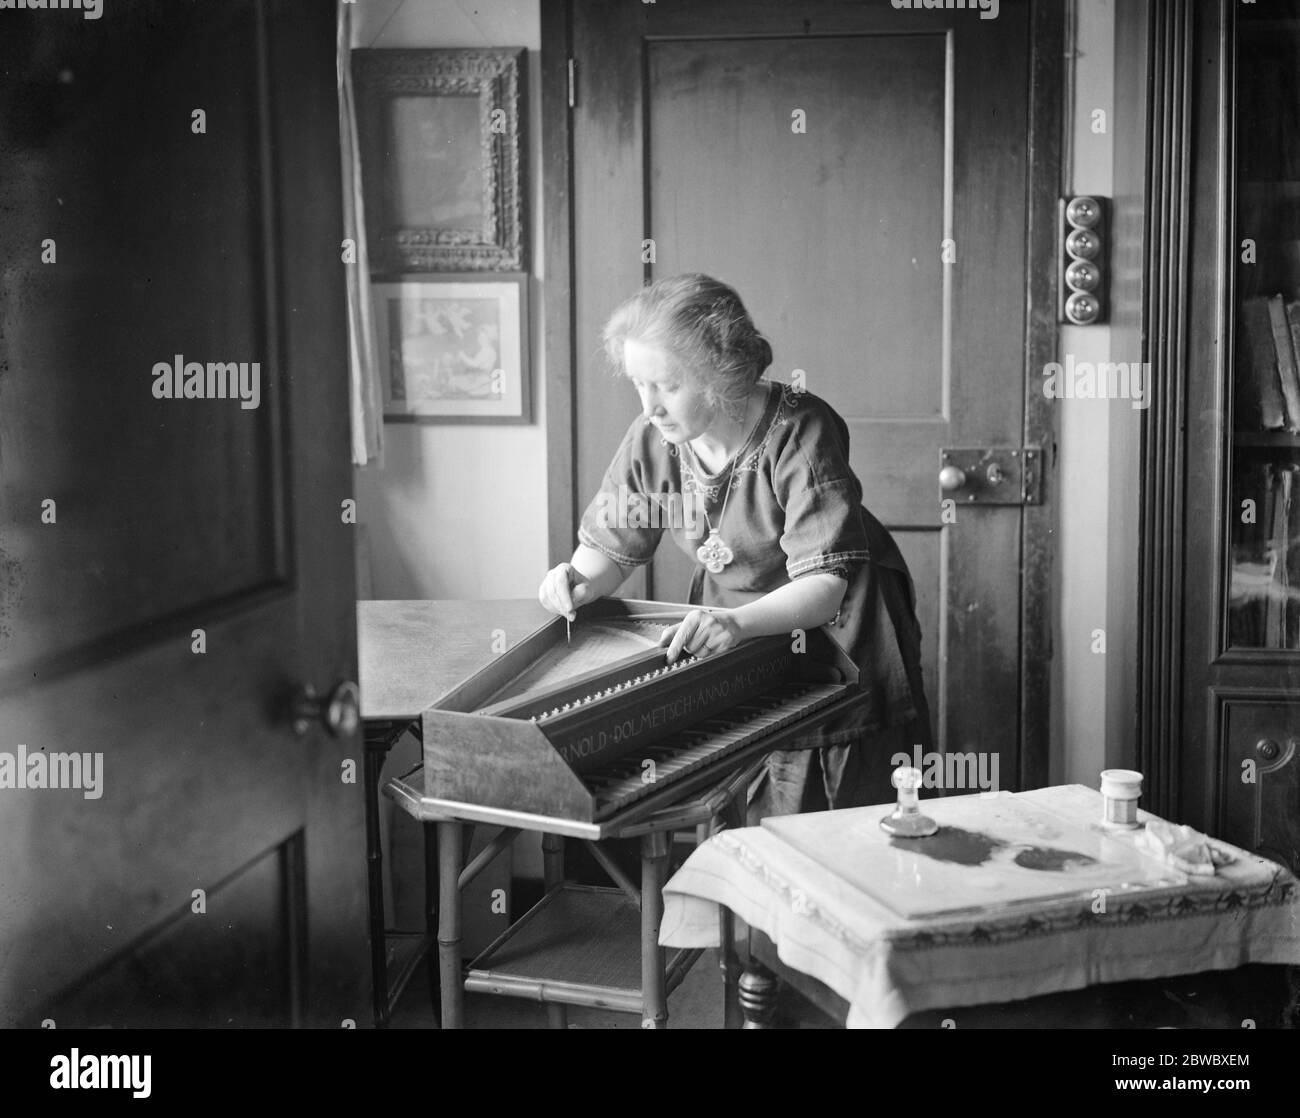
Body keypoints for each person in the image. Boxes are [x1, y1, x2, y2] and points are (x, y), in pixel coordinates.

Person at [538, 274, 932, 821]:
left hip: (842, 624)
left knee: (836, 802)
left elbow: (824, 590)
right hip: (732, 620)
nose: (649, 406)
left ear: (722, 372)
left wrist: (739, 625)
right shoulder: (653, 438)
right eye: (638, 384)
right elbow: (611, 545)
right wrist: (577, 582)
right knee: (740, 776)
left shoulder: (800, 428)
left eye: (667, 385)